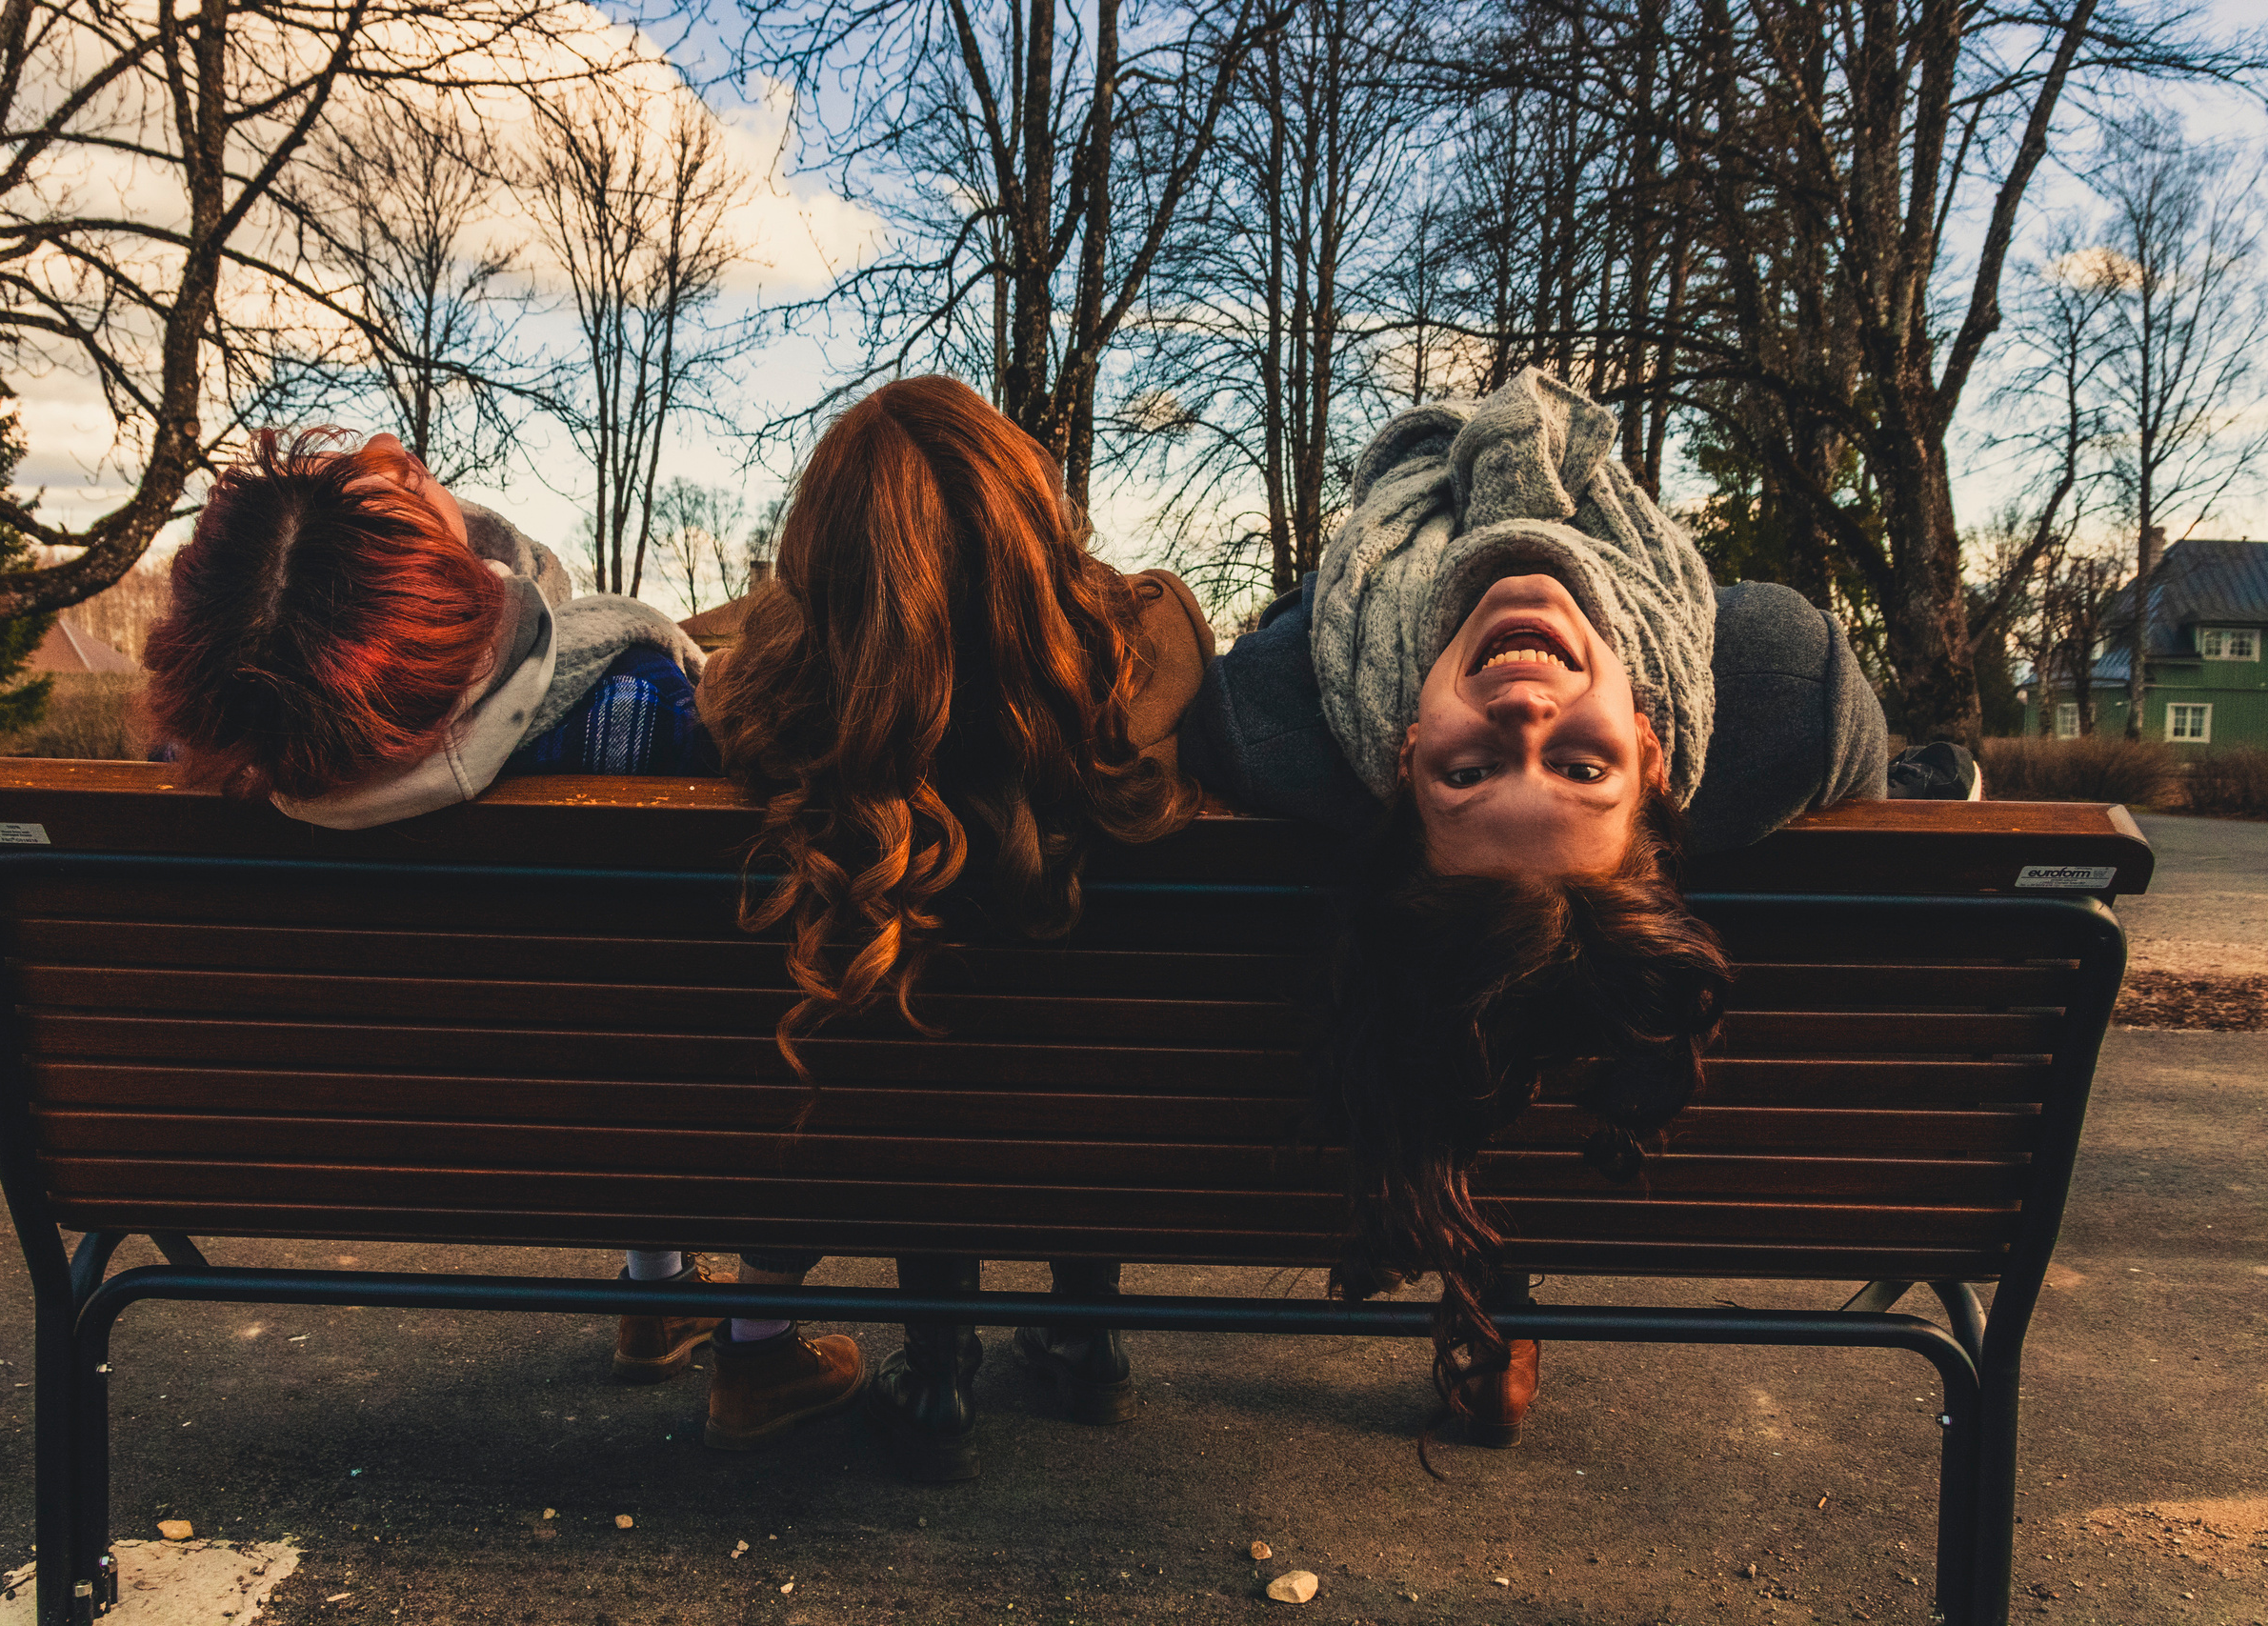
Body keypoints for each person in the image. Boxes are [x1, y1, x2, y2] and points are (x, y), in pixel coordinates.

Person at [1179, 368, 1956, 1457]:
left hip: (1456, 1023)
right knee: (1519, 974)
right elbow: (1876, 778)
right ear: (1653, 753)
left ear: (1401, 764)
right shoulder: (1780, 693)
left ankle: (1493, 1293)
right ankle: (1499, 1305)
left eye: (1467, 773)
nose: (1524, 707)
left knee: (1486, 983)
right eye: (1583, 767)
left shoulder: (1275, 717)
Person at [140, 427, 859, 1452]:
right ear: (427, 607)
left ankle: (657, 1295)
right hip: (669, 1101)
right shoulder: (643, 711)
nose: (393, 452)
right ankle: (755, 1339)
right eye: (398, 501)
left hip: (400, 1128)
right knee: (706, 1024)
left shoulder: (212, 764)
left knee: (617, 1029)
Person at [700, 374, 1214, 1480]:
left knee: (916, 1015)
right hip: (1102, 1115)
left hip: (900, 1112)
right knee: (1081, 1026)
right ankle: (1083, 1334)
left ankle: (936, 1369)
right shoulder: (1152, 666)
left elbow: (754, 656)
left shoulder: (791, 730)